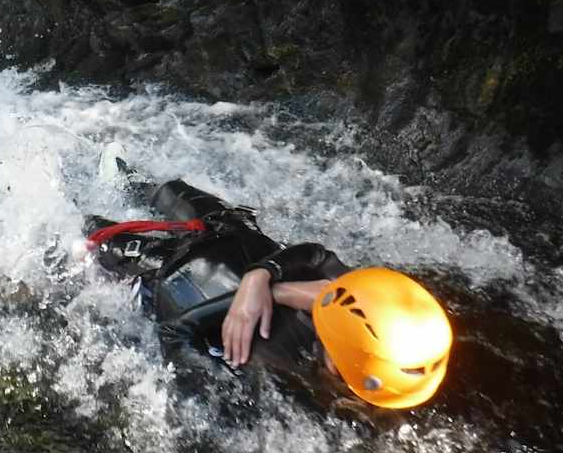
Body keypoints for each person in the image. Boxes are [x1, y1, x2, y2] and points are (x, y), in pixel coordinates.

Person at [81, 143, 453, 410]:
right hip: (230, 232)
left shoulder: (270, 363)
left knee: (93, 234)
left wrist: (274, 294)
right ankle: (126, 179)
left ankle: (75, 212)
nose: (331, 292)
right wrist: (260, 276)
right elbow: (318, 255)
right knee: (167, 192)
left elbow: (173, 331)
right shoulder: (359, 301)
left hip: (173, 272)